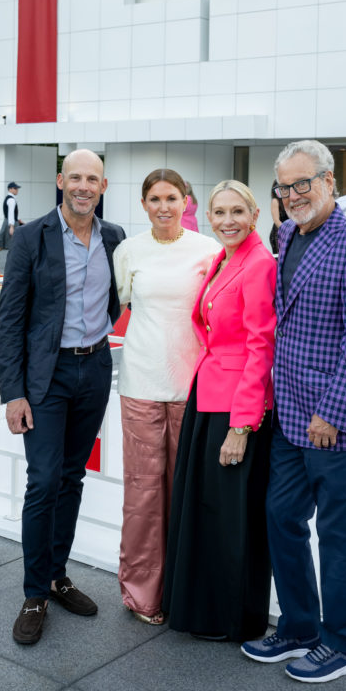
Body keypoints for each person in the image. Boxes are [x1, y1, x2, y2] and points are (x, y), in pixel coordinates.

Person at [242, 140, 346, 683]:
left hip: (334, 423)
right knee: (282, 518)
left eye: (303, 183)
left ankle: (344, 643)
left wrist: (332, 413)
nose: (293, 195)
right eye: (284, 187)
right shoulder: (286, 234)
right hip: (289, 414)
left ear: (328, 181)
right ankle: (300, 627)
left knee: (339, 535)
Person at [0, 150, 125, 645]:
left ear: (103, 186)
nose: (83, 186)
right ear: (60, 181)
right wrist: (14, 393)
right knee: (44, 479)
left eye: (92, 178)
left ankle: (56, 575)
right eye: (75, 177)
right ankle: (34, 593)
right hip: (45, 377)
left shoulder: (114, 237)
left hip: (95, 368)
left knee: (72, 476)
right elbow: (11, 319)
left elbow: (117, 300)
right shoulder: (32, 237)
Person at [163, 180, 276, 642]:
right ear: (207, 216)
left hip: (235, 409)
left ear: (254, 215)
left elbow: (261, 346)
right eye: (219, 212)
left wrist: (241, 427)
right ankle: (201, 610)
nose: (228, 220)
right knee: (206, 511)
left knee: (230, 519)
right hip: (207, 397)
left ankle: (230, 619)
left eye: (237, 211)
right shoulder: (223, 258)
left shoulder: (259, 263)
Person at [113, 169, 217, 625]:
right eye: (154, 199)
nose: (163, 207)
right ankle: (142, 595)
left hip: (192, 386)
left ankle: (181, 590)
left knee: (185, 492)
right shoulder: (128, 251)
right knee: (142, 493)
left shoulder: (208, 250)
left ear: (185, 201)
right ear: (143, 204)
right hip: (141, 383)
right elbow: (122, 303)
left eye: (171, 198)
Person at [0, 181, 24, 260]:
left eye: (17, 188)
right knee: (13, 242)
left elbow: (13, 213)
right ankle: (15, 259)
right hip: (11, 223)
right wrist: (11, 226)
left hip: (10, 222)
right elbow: (10, 213)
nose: (17, 190)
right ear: (10, 189)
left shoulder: (9, 198)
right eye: (15, 188)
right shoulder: (11, 200)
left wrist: (19, 220)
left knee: (7, 242)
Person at [269, 178, 287, 254]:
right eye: (281, 188)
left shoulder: (286, 199)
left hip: (287, 231)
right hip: (279, 232)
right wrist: (287, 230)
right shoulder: (275, 201)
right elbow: (276, 220)